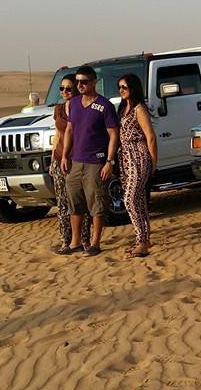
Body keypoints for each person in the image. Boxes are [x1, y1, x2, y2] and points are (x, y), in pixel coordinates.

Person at [62, 66, 119, 256]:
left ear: (94, 82)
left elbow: (113, 134)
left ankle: (95, 243)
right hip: (76, 161)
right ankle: (75, 242)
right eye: (78, 82)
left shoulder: (104, 105)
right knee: (74, 202)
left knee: (96, 203)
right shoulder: (75, 103)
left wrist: (109, 162)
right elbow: (69, 130)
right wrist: (64, 156)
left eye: (84, 82)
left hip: (96, 162)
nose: (80, 85)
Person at [116, 73, 158, 258]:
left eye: (124, 87)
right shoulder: (124, 108)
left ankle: (141, 241)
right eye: (120, 87)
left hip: (139, 156)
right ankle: (144, 238)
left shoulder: (139, 109)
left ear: (133, 88)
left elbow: (150, 136)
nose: (121, 91)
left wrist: (153, 162)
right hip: (125, 158)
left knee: (130, 199)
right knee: (139, 200)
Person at [51, 74, 91, 254]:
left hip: (79, 159)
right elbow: (58, 134)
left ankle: (84, 240)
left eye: (68, 88)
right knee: (62, 202)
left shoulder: (82, 107)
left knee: (80, 201)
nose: (65, 92)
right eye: (62, 89)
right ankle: (65, 241)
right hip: (61, 160)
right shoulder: (59, 109)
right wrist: (53, 159)